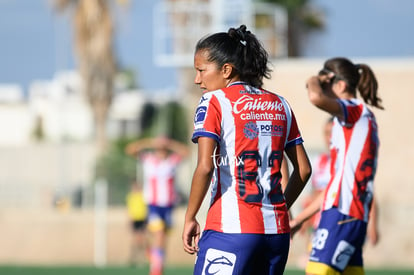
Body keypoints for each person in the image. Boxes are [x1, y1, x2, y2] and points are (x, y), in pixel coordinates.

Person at [182, 25, 312, 275]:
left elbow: (206, 166)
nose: (197, 79)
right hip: (277, 235)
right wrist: (281, 208)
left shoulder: (214, 101)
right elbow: (304, 170)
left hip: (230, 231)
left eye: (201, 71)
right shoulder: (280, 103)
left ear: (226, 70)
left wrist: (190, 216)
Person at [290, 57, 384, 275]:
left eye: (326, 86)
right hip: (351, 214)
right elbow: (336, 185)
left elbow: (315, 97)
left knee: (315, 272)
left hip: (342, 215)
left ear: (340, 85)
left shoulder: (353, 110)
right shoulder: (363, 118)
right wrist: (299, 219)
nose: (323, 91)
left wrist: (313, 79)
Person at [125, 136, 189, 275]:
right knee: (159, 235)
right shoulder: (148, 159)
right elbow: (130, 149)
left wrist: (170, 143)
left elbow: (186, 152)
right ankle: (155, 271)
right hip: (153, 205)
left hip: (168, 206)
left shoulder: (172, 161)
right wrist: (149, 142)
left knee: (163, 239)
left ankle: (158, 266)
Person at [126, 181, 148, 266]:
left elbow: (146, 207)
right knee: (135, 240)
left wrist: (147, 219)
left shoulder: (142, 196)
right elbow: (129, 209)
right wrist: (129, 220)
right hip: (135, 220)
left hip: (142, 219)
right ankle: (133, 258)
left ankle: (144, 258)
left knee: (142, 239)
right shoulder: (130, 197)